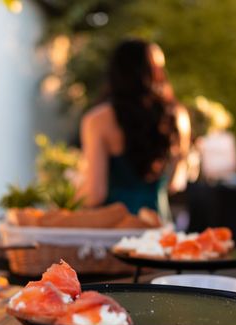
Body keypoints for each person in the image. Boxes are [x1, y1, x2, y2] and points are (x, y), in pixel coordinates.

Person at [77, 39, 191, 221]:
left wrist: (66, 202)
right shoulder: (178, 117)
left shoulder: (98, 120)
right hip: (158, 226)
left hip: (114, 228)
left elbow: (95, 193)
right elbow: (174, 184)